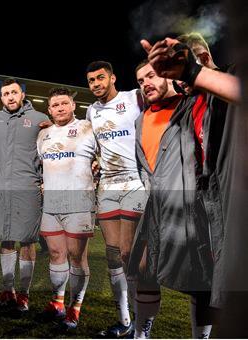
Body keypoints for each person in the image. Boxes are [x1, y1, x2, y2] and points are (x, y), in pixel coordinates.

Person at [129, 36, 240, 338]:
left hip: (214, 209)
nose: (170, 78)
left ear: (200, 59)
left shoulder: (215, 91)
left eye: (163, 73)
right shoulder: (185, 106)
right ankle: (141, 331)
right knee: (144, 269)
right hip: (180, 205)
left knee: (207, 284)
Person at [0, 78, 49, 314]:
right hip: (1, 190)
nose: (10, 97)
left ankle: (24, 293)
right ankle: (8, 289)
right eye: (6, 93)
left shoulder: (40, 120)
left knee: (27, 240)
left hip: (28, 188)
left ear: (22, 94)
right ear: (1, 97)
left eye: (14, 92)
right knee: (6, 239)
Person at [85, 61, 147, 337]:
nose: (96, 83)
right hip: (108, 185)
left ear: (112, 77)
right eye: (91, 80)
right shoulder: (91, 111)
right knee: (114, 256)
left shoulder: (134, 98)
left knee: (128, 254)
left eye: (100, 78)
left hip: (135, 181)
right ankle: (124, 321)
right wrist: (96, 161)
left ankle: (141, 324)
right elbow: (96, 146)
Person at [37, 88, 97, 330]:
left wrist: (98, 165)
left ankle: (75, 307)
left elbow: (106, 154)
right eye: (55, 105)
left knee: (77, 257)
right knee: (55, 255)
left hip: (79, 202)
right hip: (51, 203)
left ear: (73, 105)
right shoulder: (43, 135)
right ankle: (58, 302)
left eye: (64, 103)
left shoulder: (87, 128)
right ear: (49, 110)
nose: (60, 108)